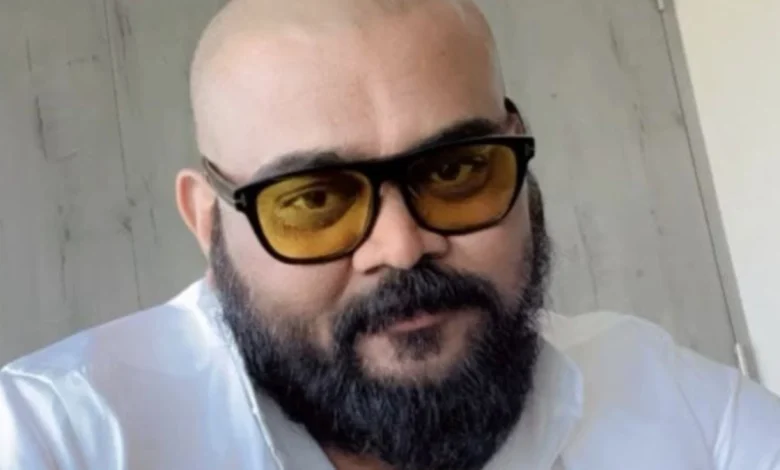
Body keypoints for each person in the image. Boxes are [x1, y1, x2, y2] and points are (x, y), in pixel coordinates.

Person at [1, 0, 779, 468]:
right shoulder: (56, 437)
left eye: (456, 169)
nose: (402, 246)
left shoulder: (677, 406)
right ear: (208, 224)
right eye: (314, 199)